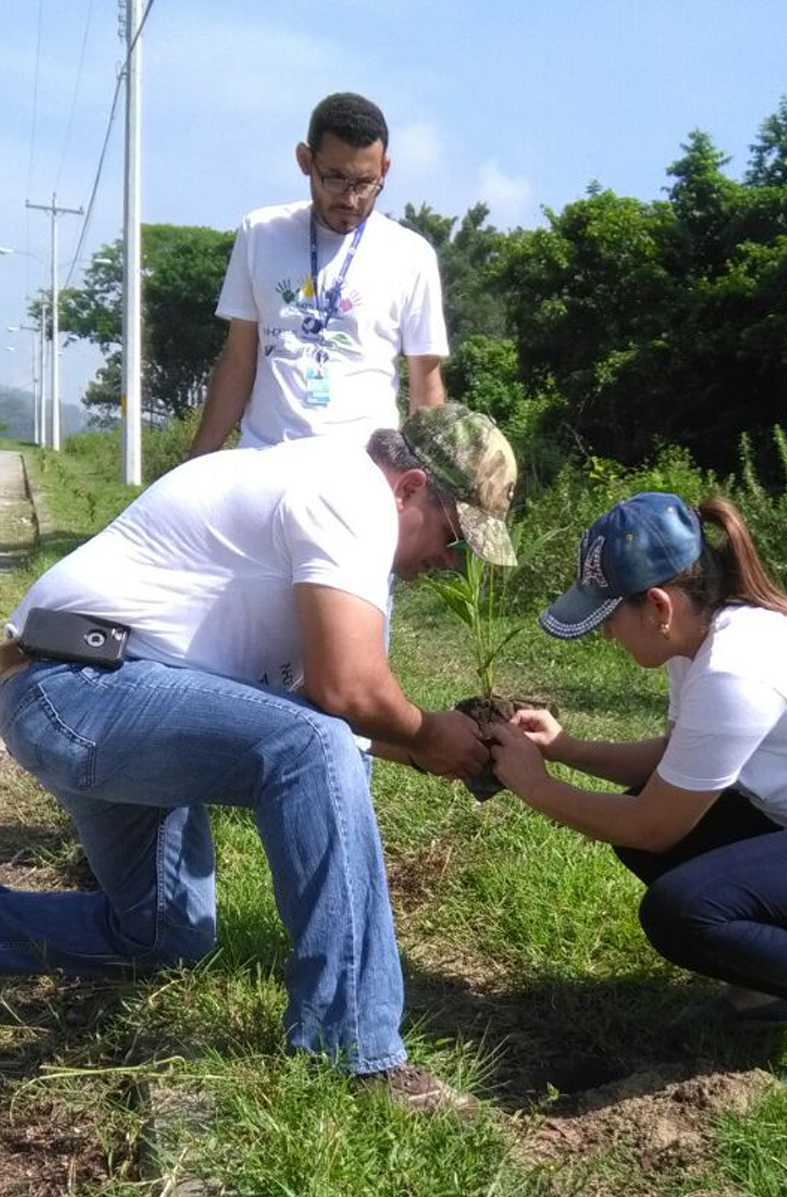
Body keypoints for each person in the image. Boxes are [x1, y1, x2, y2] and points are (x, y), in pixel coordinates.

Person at [0, 403, 518, 1111]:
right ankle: (355, 1051)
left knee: (164, 935)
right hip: (81, 690)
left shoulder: (317, 489)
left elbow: (322, 698)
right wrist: (430, 734)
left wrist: (440, 750)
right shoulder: (349, 494)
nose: (448, 564)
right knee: (315, 748)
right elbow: (346, 695)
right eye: (455, 539)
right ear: (409, 488)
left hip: (107, 695)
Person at [484, 490, 787, 1100]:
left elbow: (652, 824)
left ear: (658, 606)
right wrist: (569, 749)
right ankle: (766, 993)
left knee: (680, 907)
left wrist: (537, 787)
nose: (605, 632)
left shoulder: (737, 665)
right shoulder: (706, 640)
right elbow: (680, 762)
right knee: (660, 836)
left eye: (608, 615)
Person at [189, 92, 448, 457]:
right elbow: (238, 359)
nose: (351, 199)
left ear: (385, 170)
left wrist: (424, 489)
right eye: (336, 179)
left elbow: (426, 387)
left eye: (366, 183)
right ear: (305, 160)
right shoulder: (261, 233)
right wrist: (195, 466)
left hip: (359, 469)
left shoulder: (411, 255)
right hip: (264, 459)